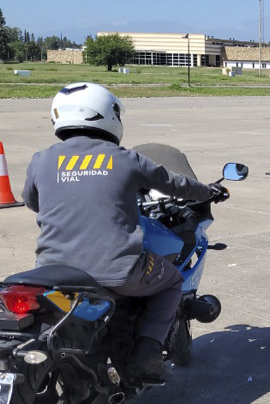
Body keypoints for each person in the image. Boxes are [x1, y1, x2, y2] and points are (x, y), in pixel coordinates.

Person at [21, 82, 222, 381]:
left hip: (51, 271)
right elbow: (176, 185)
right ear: (108, 114)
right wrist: (208, 191)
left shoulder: (42, 159)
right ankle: (147, 355)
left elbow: (32, 202)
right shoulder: (126, 159)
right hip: (117, 270)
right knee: (172, 281)